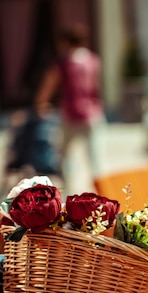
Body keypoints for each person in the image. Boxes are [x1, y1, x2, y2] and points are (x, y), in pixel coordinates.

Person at [34, 24, 105, 193]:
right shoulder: (93, 60)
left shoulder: (63, 62)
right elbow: (96, 87)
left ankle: (68, 193)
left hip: (70, 114)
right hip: (92, 114)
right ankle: (103, 192)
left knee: (65, 157)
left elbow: (49, 84)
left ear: (65, 42)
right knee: (94, 158)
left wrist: (40, 103)